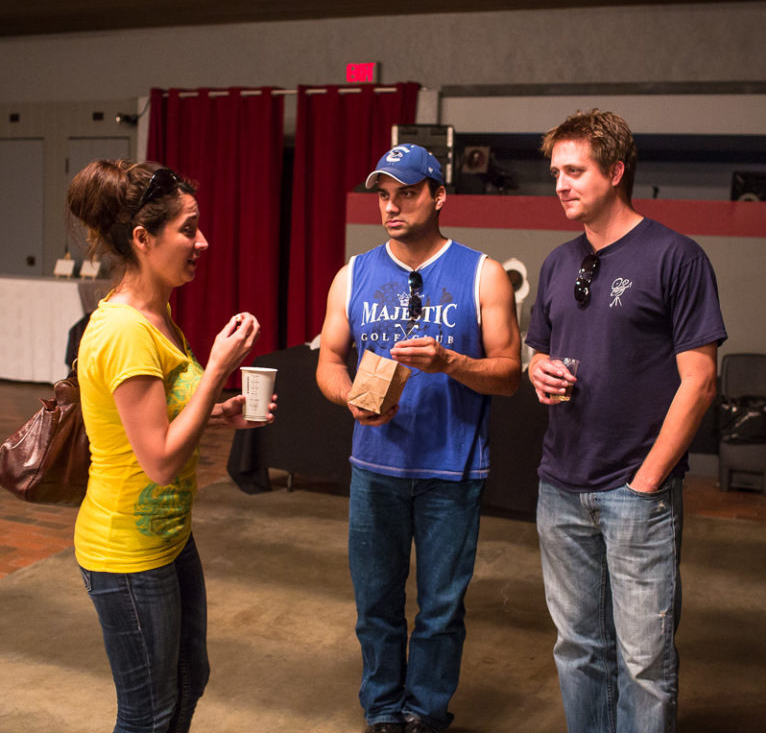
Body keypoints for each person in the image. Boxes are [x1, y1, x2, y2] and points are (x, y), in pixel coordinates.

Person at [525, 110, 727, 733]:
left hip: (635, 492)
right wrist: (538, 369)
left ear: (615, 172)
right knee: (579, 650)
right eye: (556, 171)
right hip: (560, 486)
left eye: (575, 170)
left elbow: (700, 381)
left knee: (644, 661)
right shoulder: (559, 261)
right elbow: (537, 348)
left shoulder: (676, 257)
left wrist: (647, 482)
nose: (560, 183)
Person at [316, 143, 521, 733]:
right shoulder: (352, 274)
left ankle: (425, 714)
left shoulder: (482, 273)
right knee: (376, 608)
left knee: (440, 611)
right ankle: (382, 712)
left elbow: (510, 373)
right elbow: (329, 361)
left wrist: (451, 363)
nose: (392, 206)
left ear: (438, 196)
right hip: (374, 469)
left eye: (406, 192)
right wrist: (348, 395)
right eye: (383, 195)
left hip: (452, 473)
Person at [67, 159, 276, 733]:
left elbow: (147, 428)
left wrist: (214, 413)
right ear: (142, 238)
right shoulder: (125, 331)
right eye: (188, 229)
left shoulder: (156, 318)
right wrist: (216, 373)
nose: (201, 241)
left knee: (189, 678)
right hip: (126, 554)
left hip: (166, 538)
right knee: (148, 712)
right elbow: (158, 461)